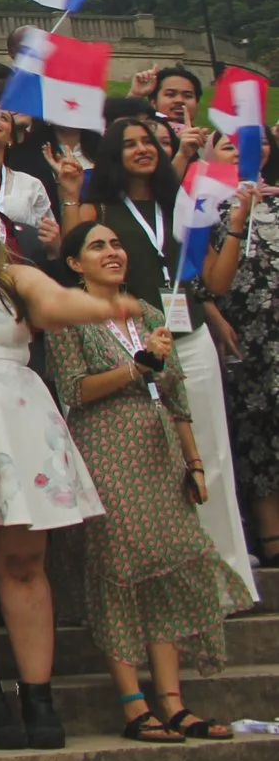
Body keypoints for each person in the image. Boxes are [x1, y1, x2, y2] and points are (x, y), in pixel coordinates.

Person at [0, 178, 139, 750]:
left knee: (22, 560)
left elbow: (57, 303)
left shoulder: (13, 274)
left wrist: (103, 306)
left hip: (15, 418)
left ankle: (38, 695)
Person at [43, 220, 253, 742]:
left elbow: (176, 395)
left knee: (166, 572)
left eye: (116, 244)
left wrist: (194, 462)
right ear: (75, 264)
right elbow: (74, 390)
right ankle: (133, 704)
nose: (112, 252)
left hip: (159, 451)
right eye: (97, 246)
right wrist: (137, 369)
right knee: (119, 569)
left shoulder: (151, 316)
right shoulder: (68, 316)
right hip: (106, 448)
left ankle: (173, 702)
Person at [79, 116, 256, 592]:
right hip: (135, 345)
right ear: (113, 154)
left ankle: (226, 580)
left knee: (210, 454)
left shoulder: (181, 203)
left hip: (190, 338)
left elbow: (216, 281)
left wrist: (235, 225)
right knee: (156, 460)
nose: (143, 149)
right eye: (130, 143)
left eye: (149, 142)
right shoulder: (99, 208)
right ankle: (176, 580)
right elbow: (78, 271)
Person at [196, 178, 279, 563]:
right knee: (254, 428)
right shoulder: (205, 201)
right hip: (244, 332)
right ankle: (269, 534)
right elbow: (195, 268)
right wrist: (213, 316)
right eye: (229, 148)